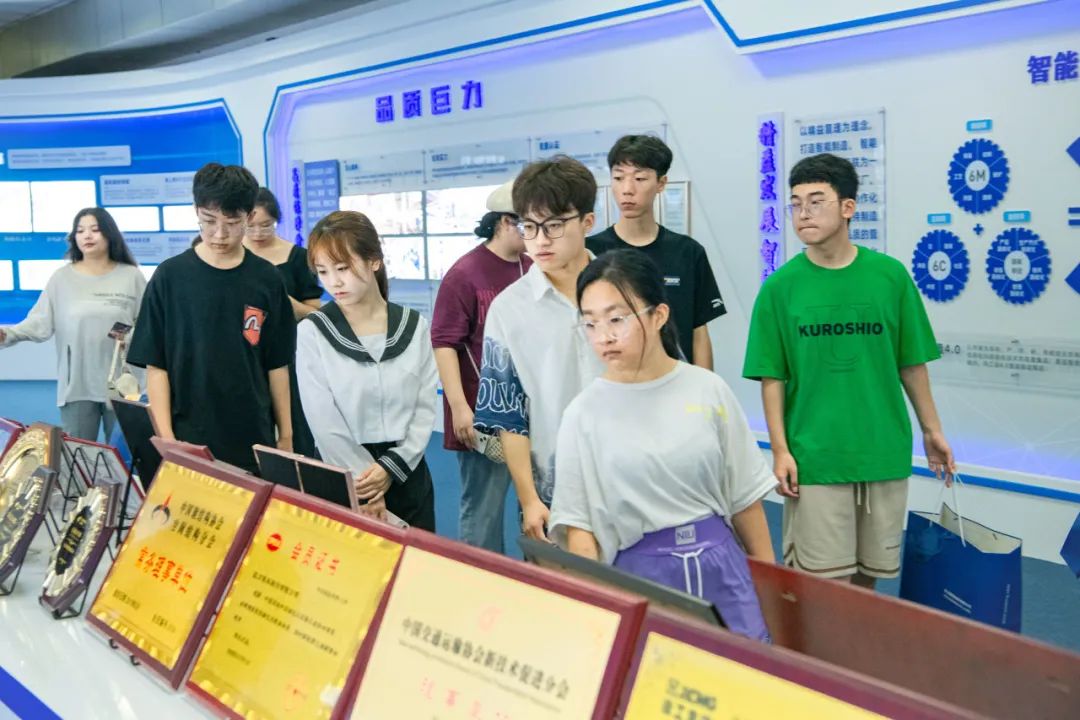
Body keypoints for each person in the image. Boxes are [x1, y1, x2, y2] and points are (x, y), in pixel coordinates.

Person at [743, 153, 956, 589]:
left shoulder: (890, 277)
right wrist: (780, 450)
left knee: (869, 581)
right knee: (824, 585)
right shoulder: (780, 289)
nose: (803, 214)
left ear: (848, 207)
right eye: (796, 204)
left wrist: (932, 430)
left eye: (815, 201)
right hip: (816, 456)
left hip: (882, 452)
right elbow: (772, 378)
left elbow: (911, 363)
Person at [549, 250, 775, 641]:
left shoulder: (708, 390)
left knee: (744, 670)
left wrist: (770, 588)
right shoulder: (582, 414)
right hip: (640, 577)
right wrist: (595, 610)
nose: (604, 336)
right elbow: (579, 526)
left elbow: (745, 498)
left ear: (659, 316)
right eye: (590, 322)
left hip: (724, 569)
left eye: (617, 319)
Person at [127, 163, 295, 473]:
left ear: (249, 216)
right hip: (187, 436)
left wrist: (285, 437)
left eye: (232, 222)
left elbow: (277, 365)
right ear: (196, 211)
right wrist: (167, 439)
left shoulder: (267, 279)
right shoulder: (170, 277)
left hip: (252, 436)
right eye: (209, 221)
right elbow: (156, 366)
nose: (220, 233)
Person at [473, 156, 604, 540]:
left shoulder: (623, 291)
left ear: (588, 222)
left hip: (630, 480)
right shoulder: (509, 309)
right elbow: (508, 415)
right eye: (529, 226)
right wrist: (529, 499)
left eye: (554, 225)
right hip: (553, 491)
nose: (540, 240)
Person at [296, 210, 437, 530]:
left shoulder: (414, 326)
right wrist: (365, 485)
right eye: (323, 271)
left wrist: (393, 466)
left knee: (417, 560)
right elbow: (323, 419)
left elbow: (425, 406)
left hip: (407, 472)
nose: (334, 282)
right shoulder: (313, 332)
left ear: (374, 261)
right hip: (342, 475)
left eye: (343, 268)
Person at [431, 180, 532, 553]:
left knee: (535, 506)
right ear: (504, 222)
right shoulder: (465, 273)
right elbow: (444, 343)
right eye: (528, 224)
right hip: (482, 411)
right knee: (483, 511)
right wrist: (460, 407)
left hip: (529, 410)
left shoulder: (533, 268)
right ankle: (483, 577)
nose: (536, 233)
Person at [0, 208, 145, 442]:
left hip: (124, 383)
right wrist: (8, 334)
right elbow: (39, 322)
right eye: (80, 230)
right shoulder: (62, 278)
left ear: (109, 234)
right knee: (78, 454)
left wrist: (122, 333)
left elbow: (148, 325)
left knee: (126, 453)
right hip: (77, 384)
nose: (87, 235)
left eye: (95, 229)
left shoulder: (131, 276)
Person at [587, 134, 725, 369]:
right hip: (615, 379)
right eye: (618, 178)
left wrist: (705, 387)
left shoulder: (688, 252)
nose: (627, 189)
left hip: (677, 380)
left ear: (661, 183)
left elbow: (699, 332)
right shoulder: (591, 252)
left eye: (640, 178)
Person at [244, 187, 323, 458]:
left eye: (266, 225)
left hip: (290, 353)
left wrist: (285, 302)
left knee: (294, 420)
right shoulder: (235, 257)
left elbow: (315, 313)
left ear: (277, 221)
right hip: (247, 351)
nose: (258, 233)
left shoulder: (297, 257)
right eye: (250, 226)